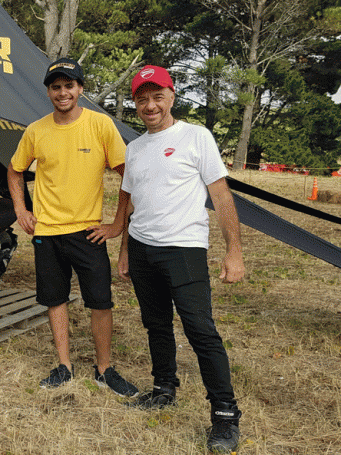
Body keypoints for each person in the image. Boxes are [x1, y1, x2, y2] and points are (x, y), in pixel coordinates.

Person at [118, 65, 245, 453]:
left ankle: (225, 415)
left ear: (172, 96)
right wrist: (125, 251)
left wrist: (234, 251)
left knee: (200, 330)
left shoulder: (196, 137)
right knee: (156, 324)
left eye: (158, 97)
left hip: (184, 249)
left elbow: (221, 196)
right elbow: (131, 200)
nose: (150, 106)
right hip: (142, 248)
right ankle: (163, 388)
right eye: (142, 99)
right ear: (135, 104)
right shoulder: (135, 148)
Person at [7, 58, 138, 397]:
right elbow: (14, 170)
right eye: (56, 87)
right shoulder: (36, 130)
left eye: (69, 85)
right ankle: (64, 366)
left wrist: (117, 224)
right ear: (48, 92)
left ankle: (104, 369)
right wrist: (21, 210)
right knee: (55, 300)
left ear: (80, 89)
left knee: (101, 302)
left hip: (88, 232)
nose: (62, 92)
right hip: (47, 232)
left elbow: (128, 175)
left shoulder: (100, 124)